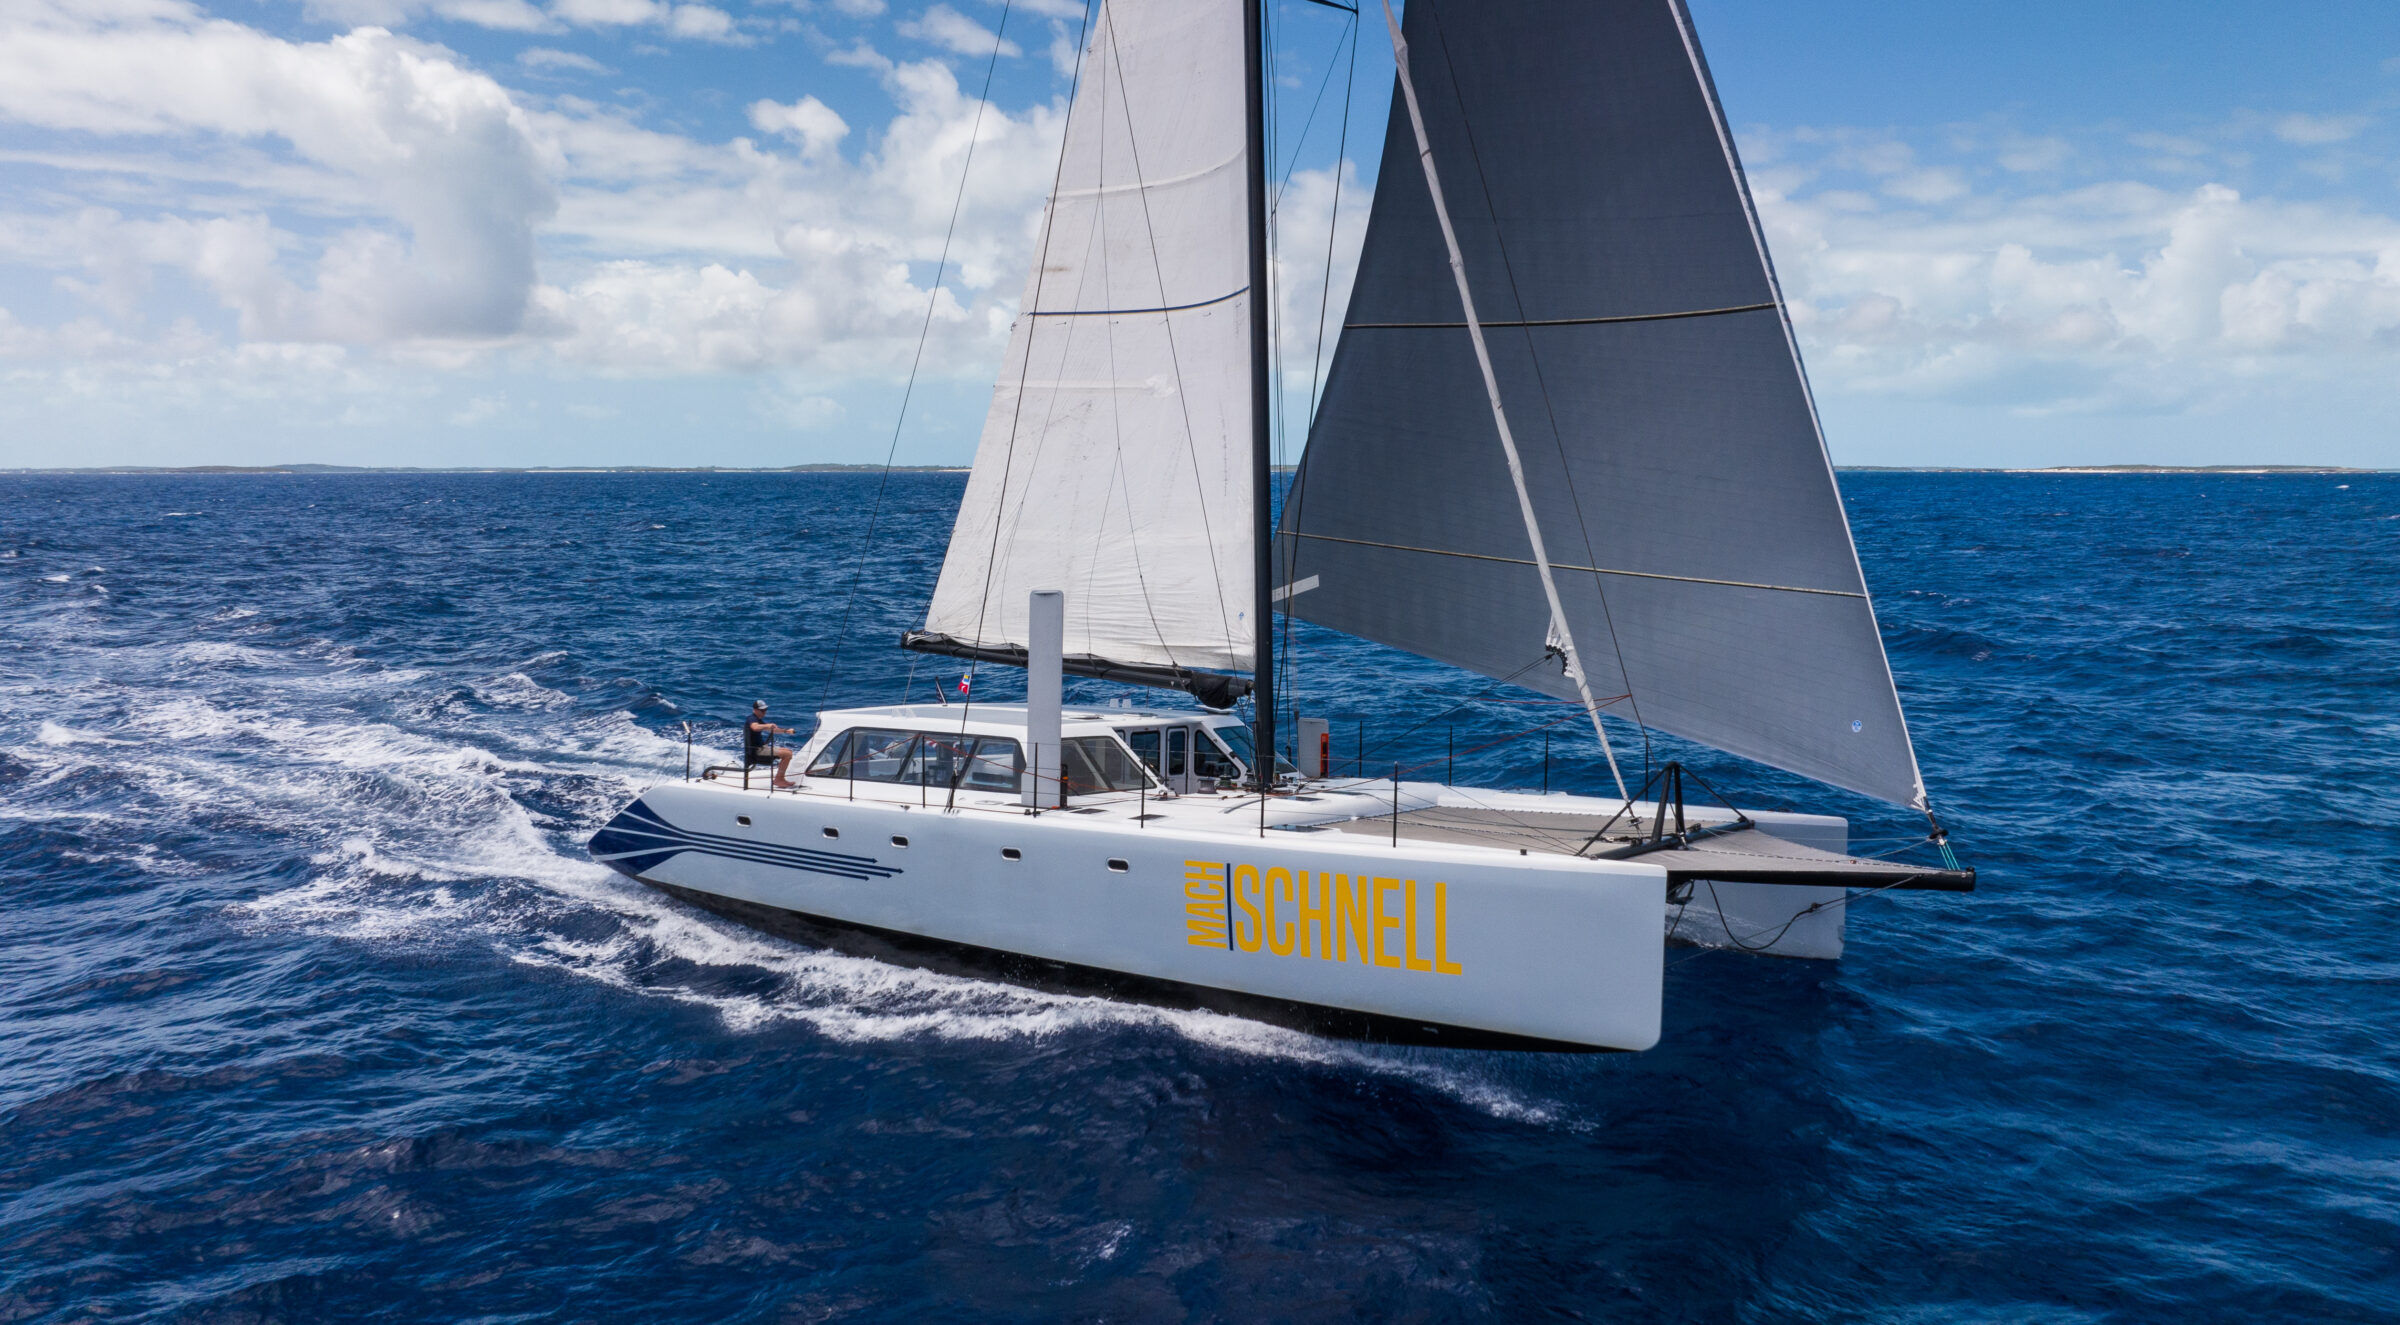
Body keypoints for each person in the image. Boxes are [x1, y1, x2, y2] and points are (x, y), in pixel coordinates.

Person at [745, 700, 798, 788]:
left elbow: (772, 729)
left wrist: (786, 731)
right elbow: (755, 727)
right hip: (756, 751)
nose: (764, 712)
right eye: (762, 710)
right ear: (755, 710)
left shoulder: (758, 720)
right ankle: (779, 780)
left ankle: (780, 778)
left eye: (765, 710)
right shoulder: (752, 718)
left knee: (788, 751)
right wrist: (767, 725)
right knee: (787, 754)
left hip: (761, 748)